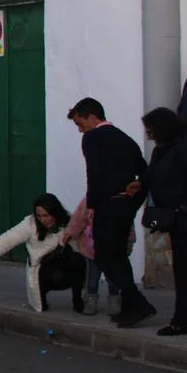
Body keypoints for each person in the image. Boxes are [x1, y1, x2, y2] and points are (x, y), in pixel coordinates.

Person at [69, 97, 157, 328]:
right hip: (124, 206)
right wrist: (132, 201)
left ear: (92, 117)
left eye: (80, 123)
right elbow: (144, 173)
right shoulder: (125, 138)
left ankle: (138, 303)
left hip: (107, 206)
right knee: (119, 256)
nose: (80, 130)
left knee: (105, 257)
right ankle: (130, 307)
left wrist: (92, 206)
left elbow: (94, 173)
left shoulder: (92, 138)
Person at [141, 107, 187, 336]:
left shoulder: (186, 147)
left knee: (185, 268)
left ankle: (182, 320)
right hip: (174, 216)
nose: (149, 134)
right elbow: (155, 174)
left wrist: (186, 205)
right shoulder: (163, 148)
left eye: (151, 129)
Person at [0, 194, 87, 313]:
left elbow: (86, 239)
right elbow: (5, 241)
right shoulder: (30, 224)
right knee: (46, 291)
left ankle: (77, 299)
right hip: (42, 270)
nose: (43, 219)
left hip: (62, 265)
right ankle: (41, 295)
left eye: (46, 215)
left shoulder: (68, 221)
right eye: (39, 216)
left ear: (55, 213)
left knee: (77, 260)